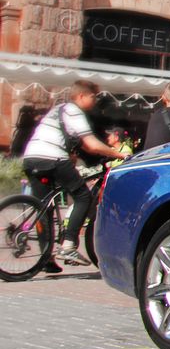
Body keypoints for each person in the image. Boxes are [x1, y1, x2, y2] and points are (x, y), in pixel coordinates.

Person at [22, 80, 130, 269]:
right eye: (92, 97)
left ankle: (46, 260)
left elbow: (74, 144)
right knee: (83, 196)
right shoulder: (74, 111)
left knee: (43, 208)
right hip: (52, 157)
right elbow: (91, 145)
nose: (95, 101)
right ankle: (69, 245)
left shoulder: (58, 110)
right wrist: (120, 154)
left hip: (32, 157)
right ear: (81, 96)